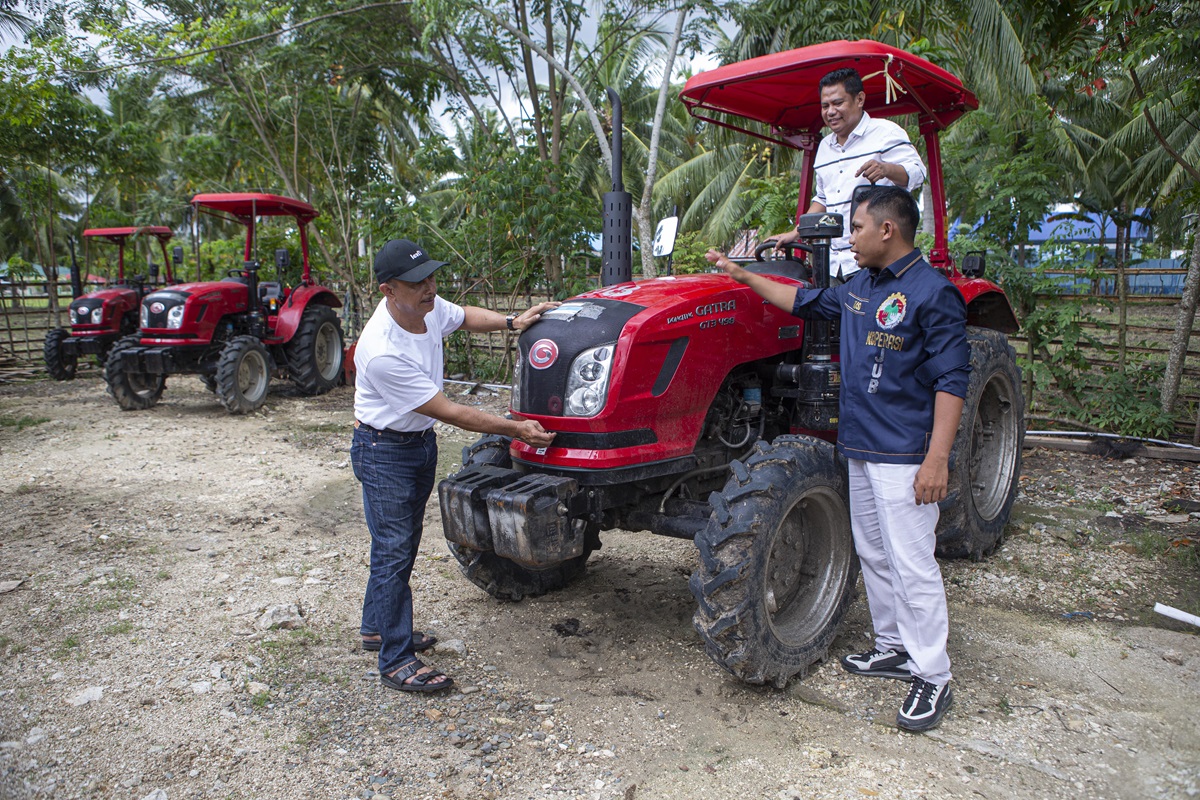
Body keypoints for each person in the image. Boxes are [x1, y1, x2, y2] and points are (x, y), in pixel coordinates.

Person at [704, 186, 969, 732]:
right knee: (873, 551)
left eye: (857, 228)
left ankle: (933, 674)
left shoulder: (932, 292)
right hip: (860, 446)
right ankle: (893, 647)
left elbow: (952, 380)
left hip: (904, 451)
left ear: (887, 230)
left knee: (911, 562)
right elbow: (800, 301)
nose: (850, 238)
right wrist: (742, 274)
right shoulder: (860, 287)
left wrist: (937, 459)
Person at [352, 238, 559, 694]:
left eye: (430, 277)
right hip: (385, 451)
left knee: (398, 544)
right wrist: (516, 429)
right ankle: (396, 660)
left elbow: (462, 315)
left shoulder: (425, 306)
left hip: (416, 443)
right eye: (416, 282)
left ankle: (377, 629)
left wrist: (512, 321)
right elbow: (450, 411)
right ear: (388, 290)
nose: (429, 287)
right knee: (394, 551)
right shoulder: (382, 351)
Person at [771, 67, 926, 282]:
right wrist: (796, 232)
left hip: (875, 262)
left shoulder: (885, 132)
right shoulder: (824, 147)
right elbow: (823, 199)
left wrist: (886, 169)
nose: (830, 112)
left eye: (837, 103)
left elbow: (918, 172)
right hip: (832, 264)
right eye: (825, 106)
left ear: (859, 99)